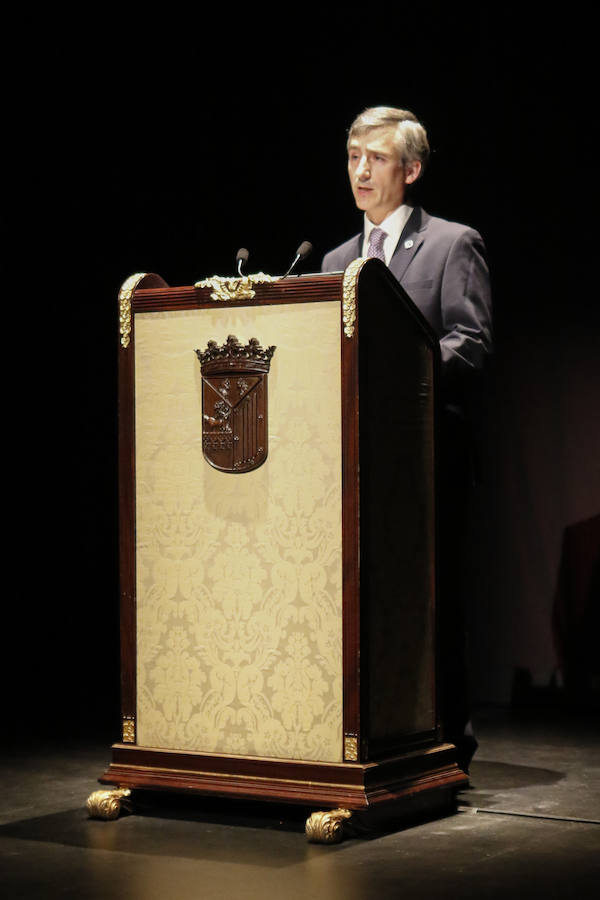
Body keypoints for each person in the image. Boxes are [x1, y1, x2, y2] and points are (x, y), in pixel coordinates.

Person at [322, 106, 493, 772]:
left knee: (432, 598)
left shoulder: (453, 244)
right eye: (353, 157)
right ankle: (374, 732)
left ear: (411, 169)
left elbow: (469, 343)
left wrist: (399, 378)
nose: (361, 170)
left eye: (377, 158)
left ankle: (450, 738)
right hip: (353, 463)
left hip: (428, 458)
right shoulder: (336, 260)